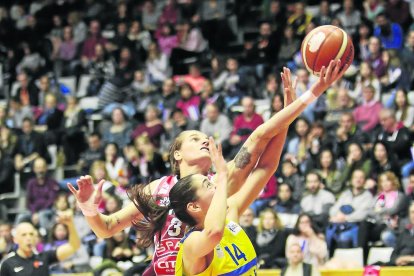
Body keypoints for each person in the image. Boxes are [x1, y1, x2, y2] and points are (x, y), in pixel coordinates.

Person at [69, 61, 345, 275]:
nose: (203, 140)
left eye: (205, 137)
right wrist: (89, 209)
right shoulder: (158, 188)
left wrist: (296, 106)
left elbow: (262, 145)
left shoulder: (218, 185)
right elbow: (106, 229)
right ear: (176, 153)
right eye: (194, 138)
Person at [0, 211, 80, 276]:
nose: (28, 238)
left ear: (36, 238)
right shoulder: (8, 263)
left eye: (31, 234)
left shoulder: (44, 257)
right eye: (24, 235)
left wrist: (70, 224)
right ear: (15, 239)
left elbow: (73, 246)